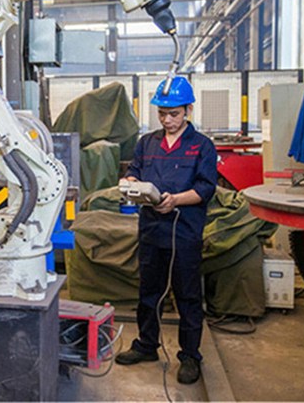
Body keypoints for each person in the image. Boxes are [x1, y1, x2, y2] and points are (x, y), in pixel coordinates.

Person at [115, 77, 217, 385]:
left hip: (184, 231)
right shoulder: (147, 142)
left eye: (173, 113)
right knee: (149, 292)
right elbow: (134, 171)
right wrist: (131, 185)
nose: (167, 119)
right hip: (151, 230)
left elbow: (205, 188)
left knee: (187, 294)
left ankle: (189, 355)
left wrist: (174, 200)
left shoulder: (202, 146)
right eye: (162, 113)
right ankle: (147, 345)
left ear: (187, 110)